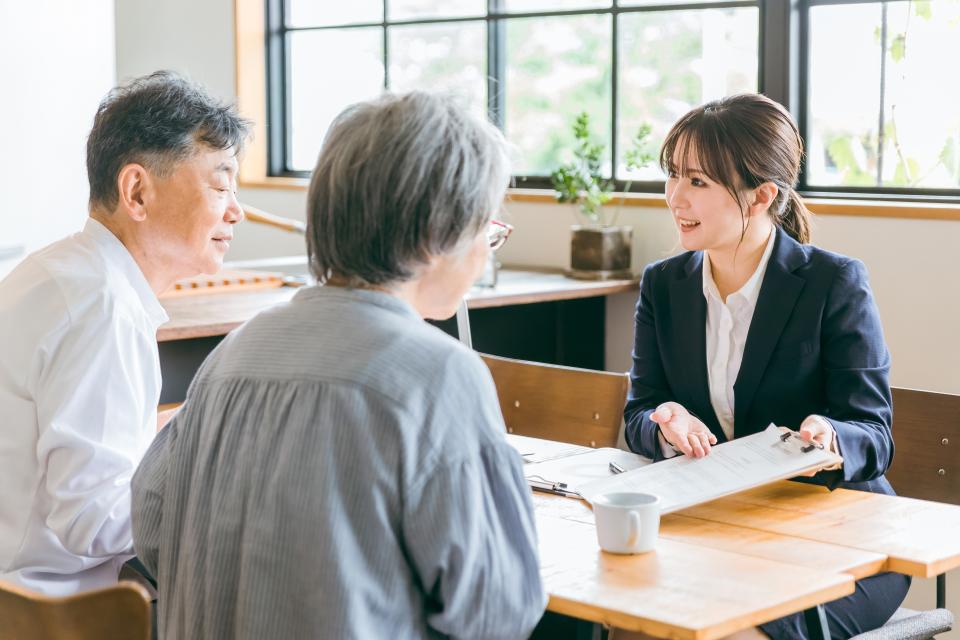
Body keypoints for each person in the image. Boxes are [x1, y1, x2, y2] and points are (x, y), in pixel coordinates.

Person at [131, 91, 547, 640]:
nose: (485, 251)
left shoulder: (235, 353)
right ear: (436, 233)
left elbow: (153, 527)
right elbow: (496, 610)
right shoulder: (438, 374)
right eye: (485, 229)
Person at [621, 93, 908, 639]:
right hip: (719, 530)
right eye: (673, 175)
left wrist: (830, 437)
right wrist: (666, 423)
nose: (674, 197)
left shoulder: (833, 282)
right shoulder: (665, 284)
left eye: (698, 182)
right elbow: (639, 412)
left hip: (841, 537)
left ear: (762, 196)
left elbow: (875, 435)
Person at [0, 70, 249, 595]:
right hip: (50, 609)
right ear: (137, 190)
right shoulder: (102, 307)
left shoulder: (62, 270)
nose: (236, 210)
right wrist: (222, 486)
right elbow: (93, 519)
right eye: (221, 183)